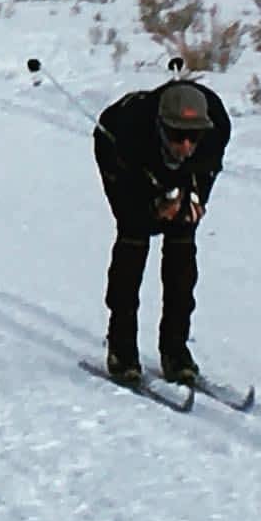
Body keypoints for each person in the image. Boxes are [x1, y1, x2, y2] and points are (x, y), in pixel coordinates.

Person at [93, 79, 232, 384]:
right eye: (178, 135)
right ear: (160, 126)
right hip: (118, 154)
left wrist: (192, 200)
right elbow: (134, 200)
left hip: (169, 163)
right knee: (135, 235)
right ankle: (121, 349)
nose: (186, 144)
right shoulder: (130, 133)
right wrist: (153, 207)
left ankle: (175, 349)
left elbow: (203, 174)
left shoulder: (216, 132)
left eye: (193, 136)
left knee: (182, 240)